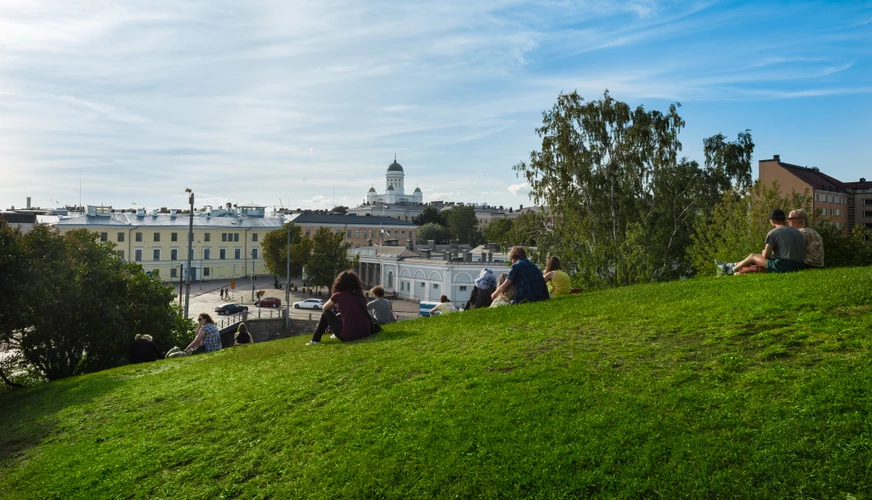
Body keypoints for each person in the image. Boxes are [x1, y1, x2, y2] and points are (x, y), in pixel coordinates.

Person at [717, 209, 806, 275]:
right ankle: (731, 266)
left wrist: (764, 252)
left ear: (773, 221)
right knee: (757, 259)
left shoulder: (773, 233)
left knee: (753, 256)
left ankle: (730, 270)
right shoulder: (798, 231)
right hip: (800, 265)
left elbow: (765, 256)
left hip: (784, 266)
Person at [307, 271, 373, 345]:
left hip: (348, 335)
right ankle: (332, 335)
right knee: (342, 315)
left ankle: (315, 339)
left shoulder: (339, 295)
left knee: (326, 314)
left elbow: (325, 307)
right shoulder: (361, 296)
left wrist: (335, 304)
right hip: (366, 332)